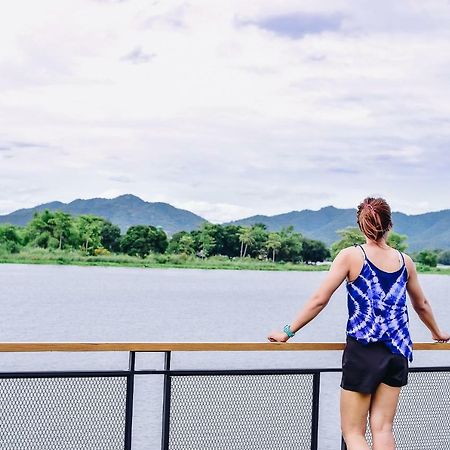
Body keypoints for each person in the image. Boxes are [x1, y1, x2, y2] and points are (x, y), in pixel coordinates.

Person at [267, 197, 449, 450]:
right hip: (398, 351)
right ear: (390, 225)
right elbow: (422, 305)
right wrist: (437, 332)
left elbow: (320, 300)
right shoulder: (404, 261)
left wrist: (287, 332)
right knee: (383, 427)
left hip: (363, 351)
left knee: (353, 432)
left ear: (361, 226)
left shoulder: (352, 256)